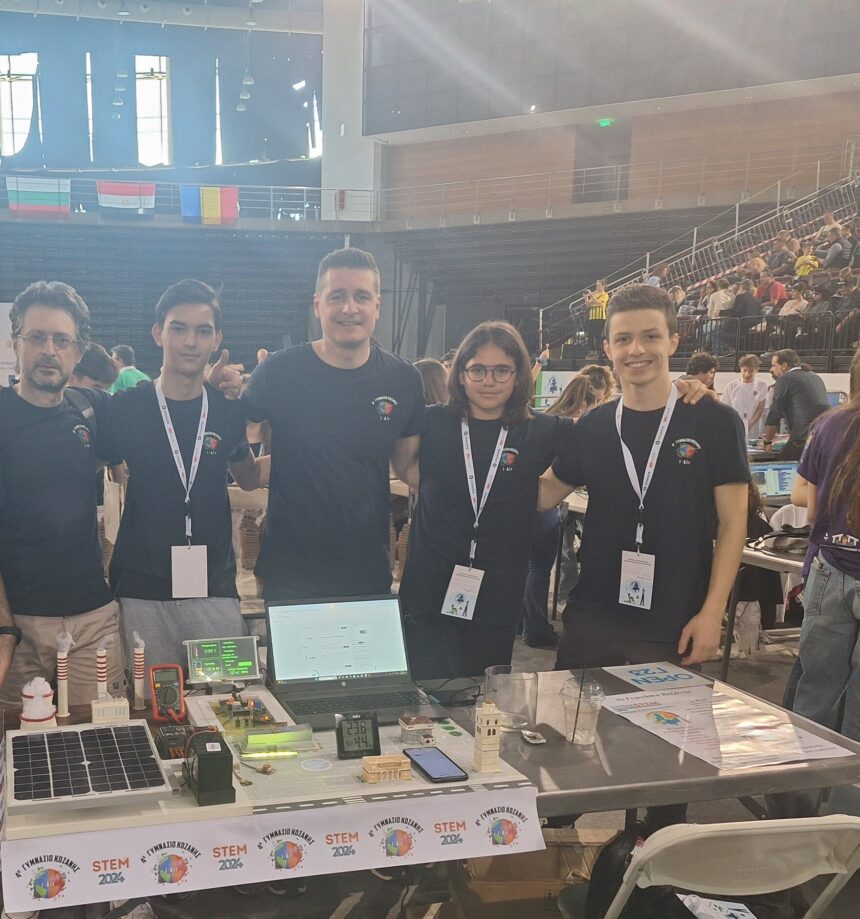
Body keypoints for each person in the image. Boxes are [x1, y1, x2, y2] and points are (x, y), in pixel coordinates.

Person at [539, 284, 748, 677]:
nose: (636, 349)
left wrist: (712, 612)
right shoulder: (595, 425)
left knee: (667, 721)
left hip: (675, 621)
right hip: (593, 619)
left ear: (673, 341)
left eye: (650, 336)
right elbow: (545, 492)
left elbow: (733, 523)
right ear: (608, 348)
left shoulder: (716, 421)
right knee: (571, 717)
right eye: (624, 339)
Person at [238, 248, 425, 601]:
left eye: (361, 296)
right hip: (290, 575)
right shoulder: (278, 372)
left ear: (377, 306)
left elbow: (407, 467)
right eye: (337, 296)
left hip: (366, 573)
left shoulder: (403, 379)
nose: (349, 308)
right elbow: (231, 430)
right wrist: (247, 470)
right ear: (317, 304)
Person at [97, 280, 265, 668]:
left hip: (214, 588)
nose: (190, 341)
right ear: (159, 334)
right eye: (178, 328)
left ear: (216, 339)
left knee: (226, 698)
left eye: (202, 330)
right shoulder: (127, 408)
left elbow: (249, 476)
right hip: (142, 588)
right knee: (150, 700)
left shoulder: (226, 409)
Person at [396, 321, 575, 679]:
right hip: (429, 586)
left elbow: (587, 451)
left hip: (497, 590)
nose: (489, 381)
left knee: (483, 697)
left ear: (518, 375)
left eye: (501, 370)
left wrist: (679, 391)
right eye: (477, 369)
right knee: (422, 694)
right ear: (461, 374)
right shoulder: (432, 423)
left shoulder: (543, 429)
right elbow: (405, 467)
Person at [0, 281, 125, 705]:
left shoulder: (91, 408)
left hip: (92, 617)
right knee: (19, 742)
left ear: (78, 350)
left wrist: (213, 385)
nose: (49, 350)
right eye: (36, 337)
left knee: (106, 736)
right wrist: (4, 628)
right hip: (20, 625)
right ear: (15, 342)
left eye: (61, 340)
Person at [787, 376, 860, 815]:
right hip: (836, 570)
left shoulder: (830, 425)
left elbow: (811, 507)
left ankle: (795, 813)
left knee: (814, 697)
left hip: (831, 568)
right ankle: (849, 827)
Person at [520, 377, 597, 649]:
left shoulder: (547, 421)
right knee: (539, 568)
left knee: (527, 566)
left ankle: (524, 622)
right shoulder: (567, 430)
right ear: (585, 404)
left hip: (527, 504)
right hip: (543, 506)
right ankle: (536, 628)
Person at [763, 349, 829, 460]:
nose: (771, 370)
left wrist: (767, 442)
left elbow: (775, 413)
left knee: (780, 463)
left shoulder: (785, 379)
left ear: (784, 365)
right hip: (824, 436)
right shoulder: (815, 377)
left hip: (802, 439)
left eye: (773, 365)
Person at [722, 354, 769, 437]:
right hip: (734, 425)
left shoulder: (762, 385)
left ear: (757, 370)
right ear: (741, 368)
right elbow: (725, 408)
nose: (747, 374)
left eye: (751, 371)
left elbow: (760, 408)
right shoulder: (731, 386)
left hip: (754, 426)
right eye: (745, 370)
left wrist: (749, 424)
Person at [584, 280, 608, 355]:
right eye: (596, 285)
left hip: (600, 317)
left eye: (599, 285)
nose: (597, 287)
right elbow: (588, 305)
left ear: (603, 286)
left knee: (598, 335)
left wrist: (592, 296)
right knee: (590, 335)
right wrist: (586, 297)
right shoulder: (595, 294)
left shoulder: (605, 294)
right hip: (592, 317)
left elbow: (600, 303)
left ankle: (599, 351)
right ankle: (592, 351)